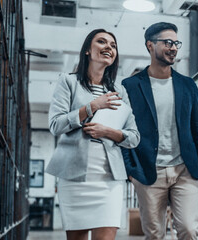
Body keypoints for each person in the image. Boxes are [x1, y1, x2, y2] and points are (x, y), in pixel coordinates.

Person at [47, 28, 140, 240]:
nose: (109, 47)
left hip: (109, 180)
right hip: (74, 178)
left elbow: (134, 137)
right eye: (101, 42)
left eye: (113, 45)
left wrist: (107, 131)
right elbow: (55, 125)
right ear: (88, 50)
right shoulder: (68, 82)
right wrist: (91, 107)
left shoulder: (119, 91)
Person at [120, 22, 198, 240]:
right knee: (154, 233)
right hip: (149, 171)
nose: (173, 48)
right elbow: (123, 130)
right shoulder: (131, 86)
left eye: (176, 43)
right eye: (167, 42)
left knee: (189, 229)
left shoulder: (188, 85)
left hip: (184, 169)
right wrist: (131, 171)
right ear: (150, 45)